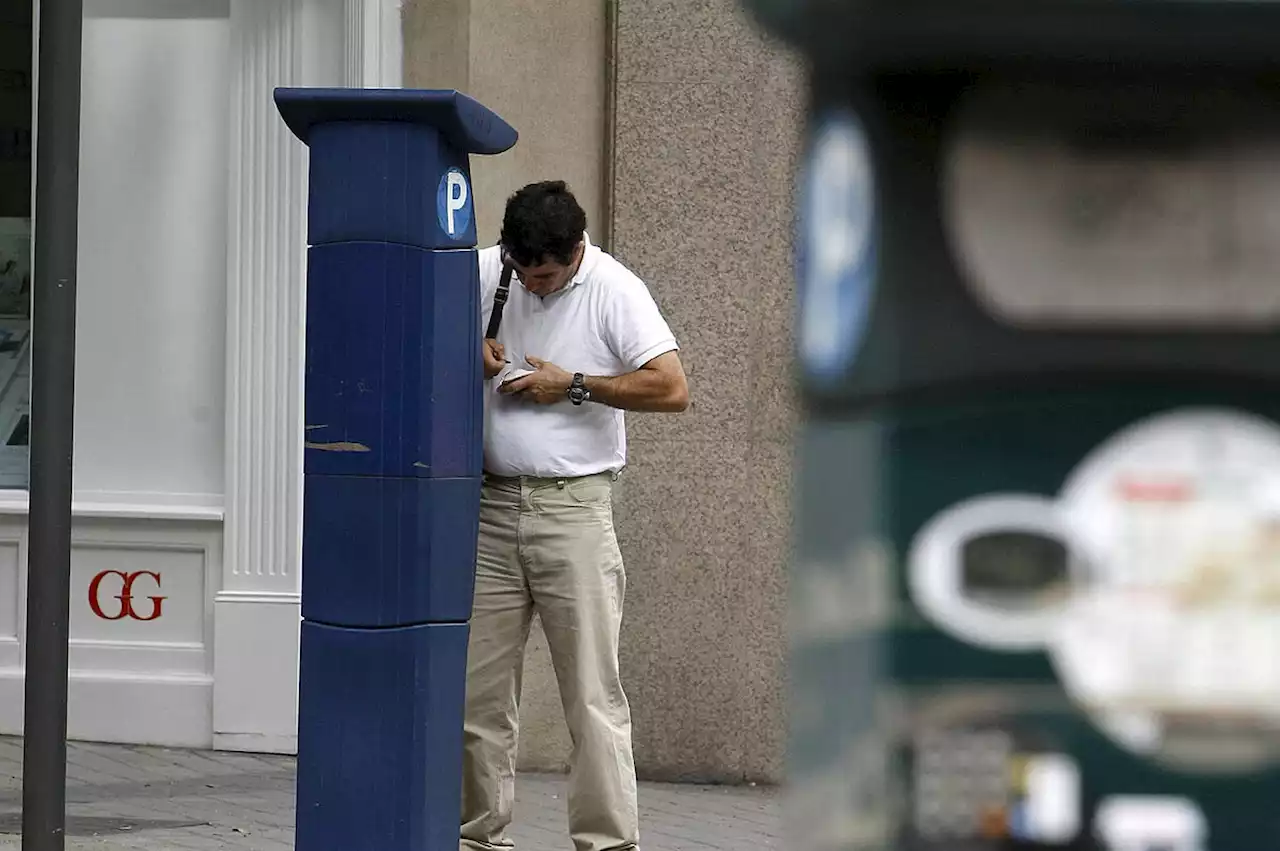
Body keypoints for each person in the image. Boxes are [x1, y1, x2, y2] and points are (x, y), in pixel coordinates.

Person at [460, 180, 689, 851]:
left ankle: (608, 842)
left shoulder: (615, 288)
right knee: (478, 696)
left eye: (549, 277)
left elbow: (672, 386)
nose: (535, 288)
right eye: (524, 274)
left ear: (577, 250)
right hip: (490, 504)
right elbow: (413, 325)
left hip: (575, 509)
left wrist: (574, 385)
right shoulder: (481, 269)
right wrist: (464, 351)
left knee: (592, 694)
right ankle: (476, 836)